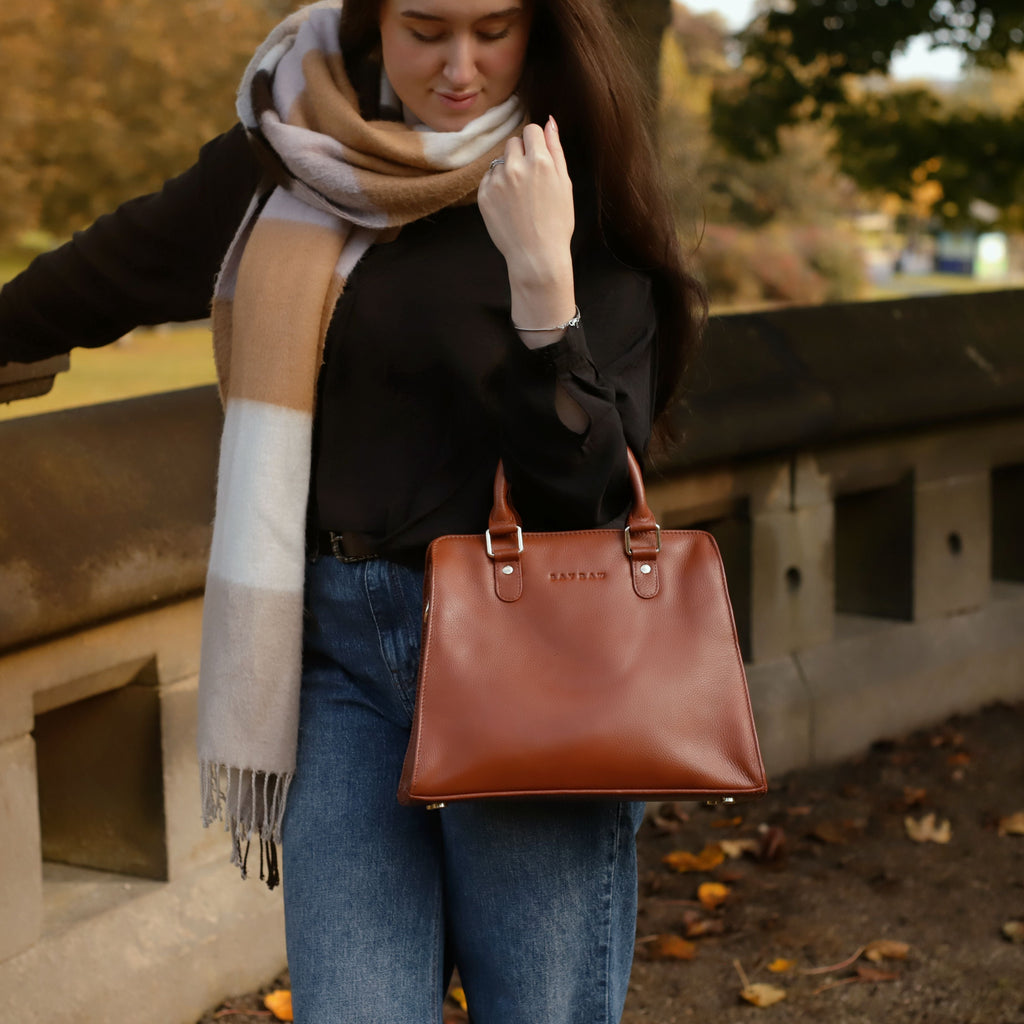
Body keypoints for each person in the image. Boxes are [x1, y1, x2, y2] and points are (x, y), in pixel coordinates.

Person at [0, 0, 706, 1019]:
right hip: (334, 657)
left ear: (540, 29)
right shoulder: (293, 155)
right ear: (375, 23)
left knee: (541, 1007)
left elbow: (583, 487)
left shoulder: (569, 190)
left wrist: (542, 277)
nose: (460, 66)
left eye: (493, 29)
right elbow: (116, 267)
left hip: (529, 660)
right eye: (426, 29)